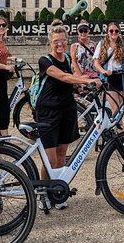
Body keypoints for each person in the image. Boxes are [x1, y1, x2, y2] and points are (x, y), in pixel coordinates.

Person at [36, 20, 101, 210]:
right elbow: (63, 77)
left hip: (67, 109)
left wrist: (82, 85)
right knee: (49, 159)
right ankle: (43, 193)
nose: (59, 44)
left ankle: (57, 191)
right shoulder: (45, 60)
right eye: (56, 40)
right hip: (48, 112)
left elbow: (70, 81)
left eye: (62, 40)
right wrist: (85, 80)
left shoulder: (66, 57)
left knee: (62, 153)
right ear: (50, 42)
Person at [93, 22, 124, 122]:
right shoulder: (102, 44)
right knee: (115, 107)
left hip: (121, 77)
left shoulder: (123, 45)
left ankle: (118, 128)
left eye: (116, 31)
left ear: (119, 32)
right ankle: (116, 130)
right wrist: (104, 71)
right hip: (108, 78)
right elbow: (96, 62)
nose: (114, 33)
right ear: (107, 32)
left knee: (121, 107)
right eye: (111, 31)